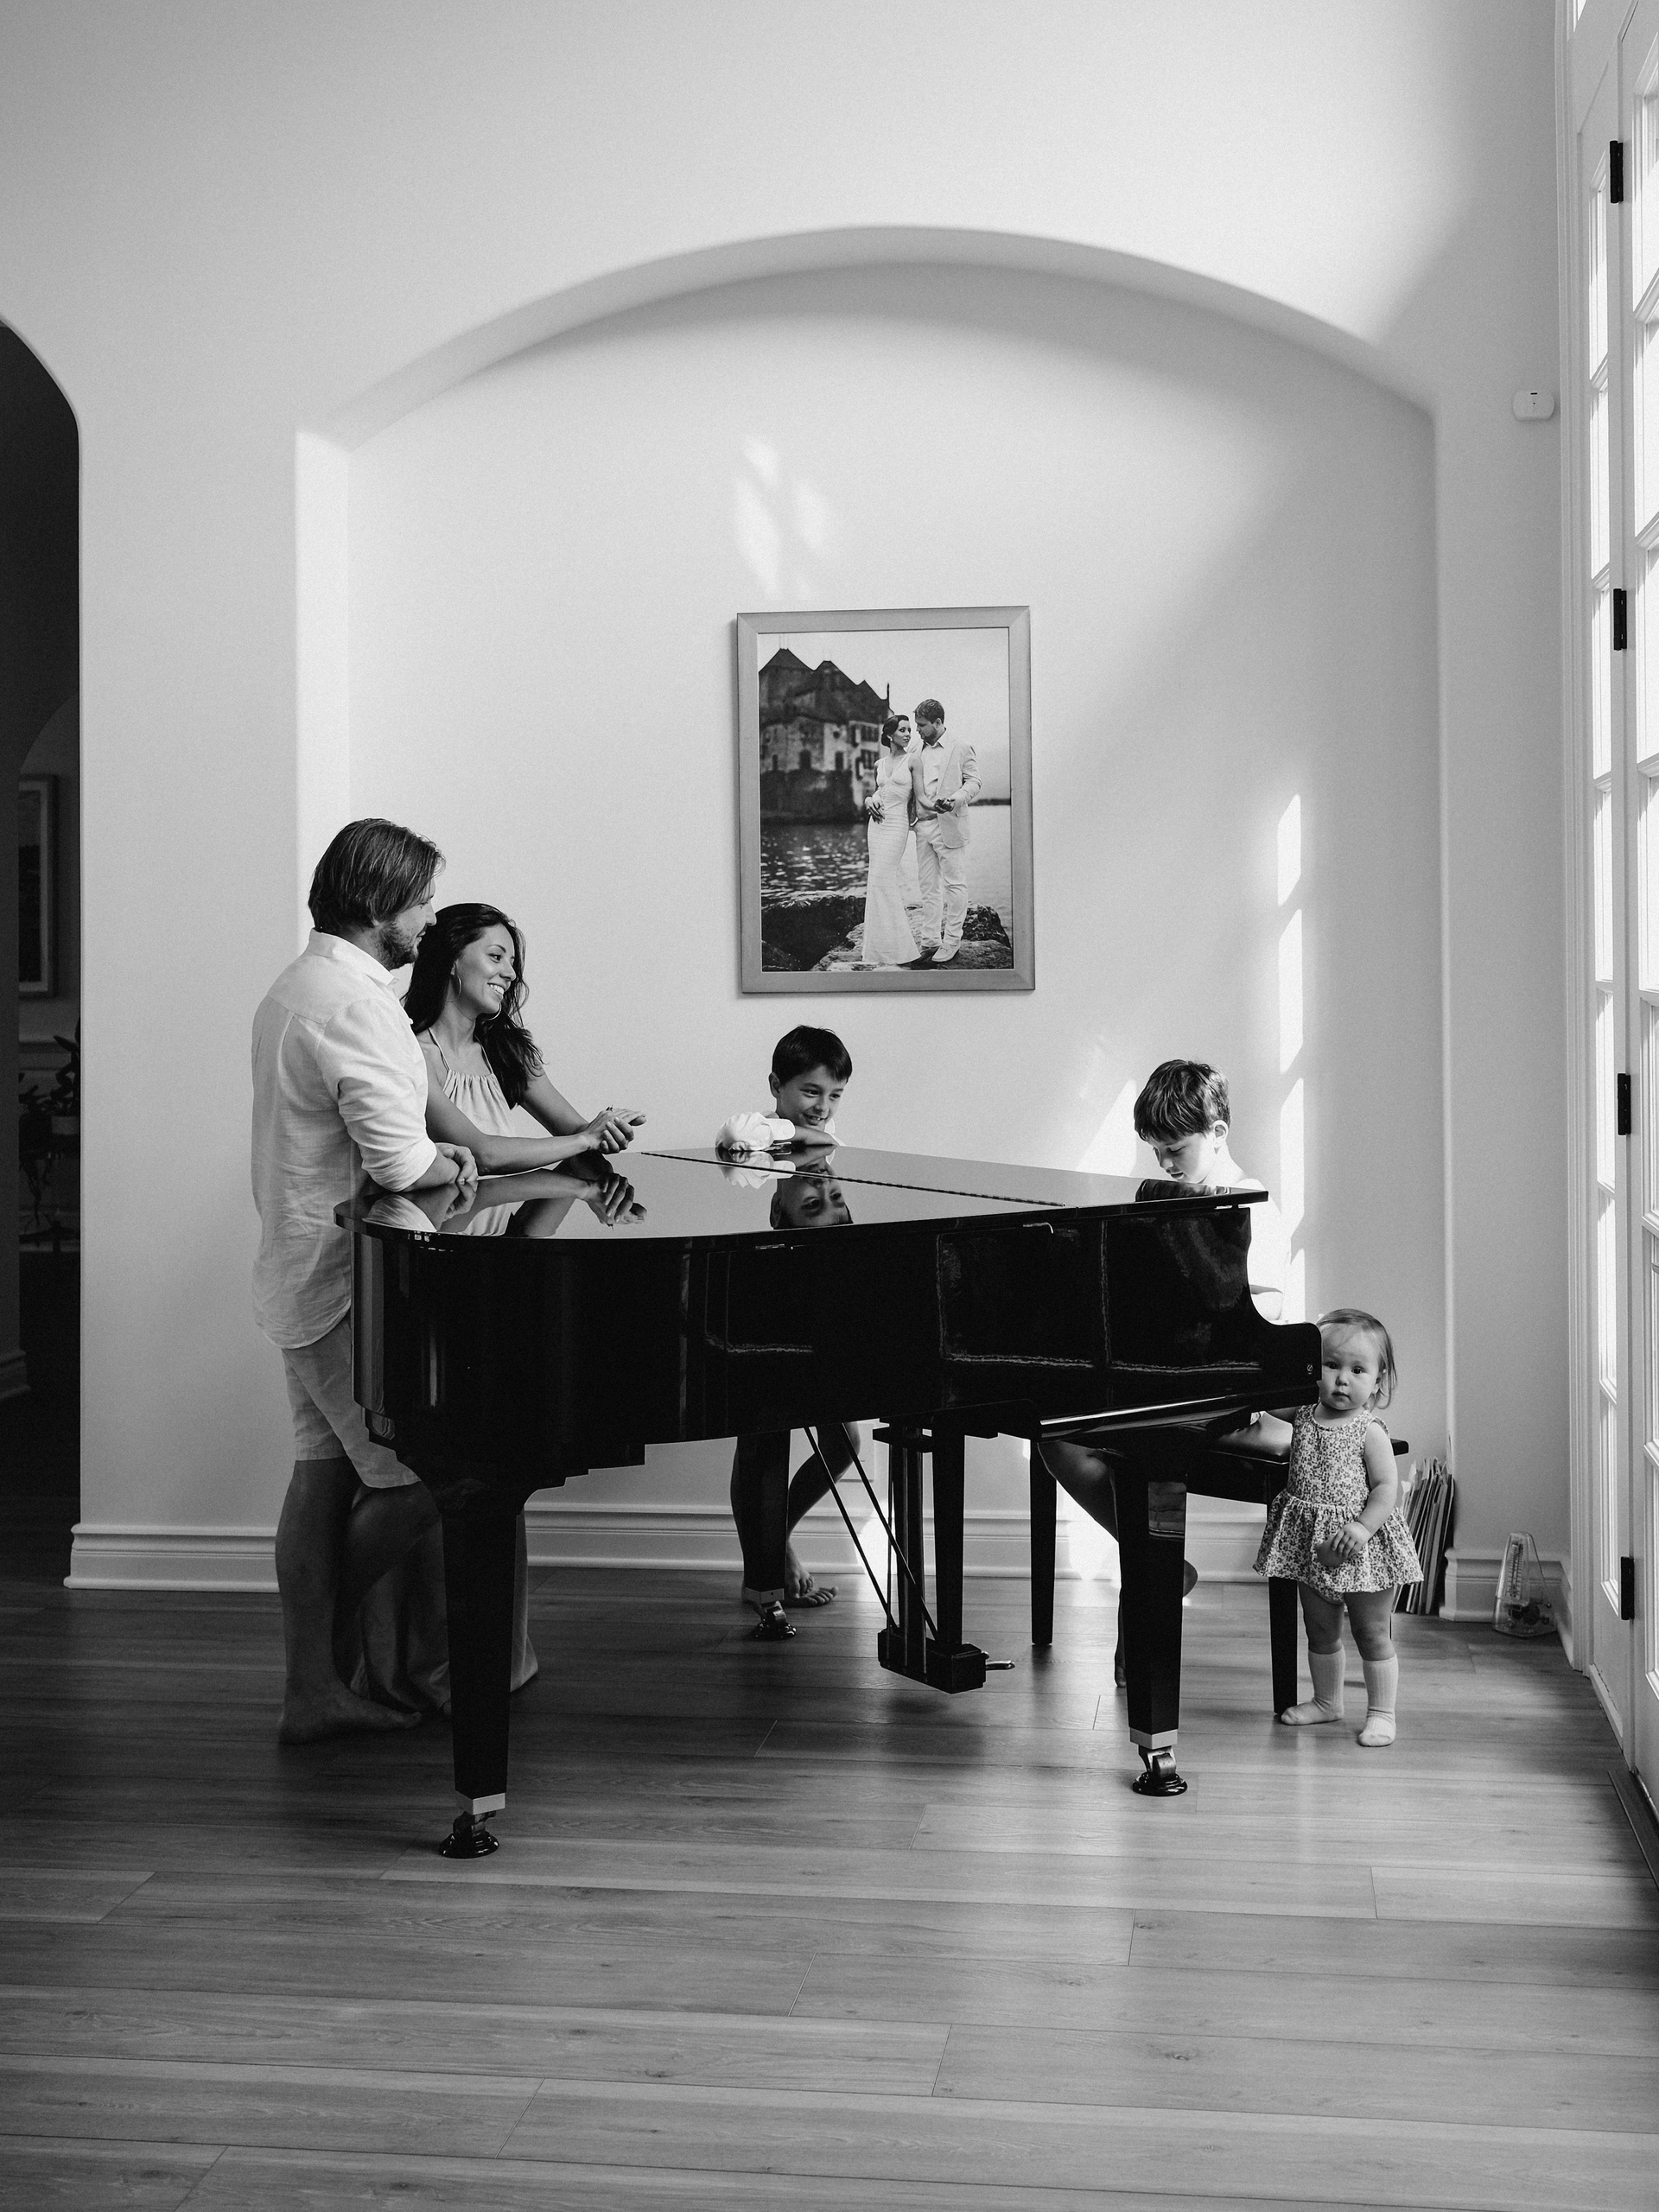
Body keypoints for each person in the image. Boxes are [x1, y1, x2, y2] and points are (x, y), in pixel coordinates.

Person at [334, 902, 647, 1713]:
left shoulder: (510, 1050)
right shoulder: (411, 1050)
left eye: (513, 959)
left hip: (493, 1279)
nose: (510, 972)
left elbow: (574, 1140)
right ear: (451, 960)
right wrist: (577, 1145)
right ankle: (409, 1664)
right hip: (428, 1271)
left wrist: (602, 1137)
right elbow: (484, 1151)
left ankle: (482, 1663)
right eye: (496, 955)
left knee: (488, 1461)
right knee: (433, 1464)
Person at [252, 817, 478, 1744]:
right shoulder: (355, 1004)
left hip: (297, 1272)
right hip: (348, 1285)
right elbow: (400, 1162)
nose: (429, 920)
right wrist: (451, 1162)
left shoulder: (291, 986)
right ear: (381, 904)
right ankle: (320, 1658)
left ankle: (312, 1690)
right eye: (421, 901)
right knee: (433, 1472)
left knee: (321, 1476)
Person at [1037, 1059, 1286, 1676]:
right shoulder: (1167, 1200)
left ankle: (1154, 1581)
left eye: (1176, 1149)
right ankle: (1160, 1565)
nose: (1166, 1164)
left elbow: (1266, 1313)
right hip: (1167, 1373)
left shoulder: (1250, 1202)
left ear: (1218, 1132)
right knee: (1056, 1435)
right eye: (1156, 1152)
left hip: (1226, 1381)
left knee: (1134, 1443)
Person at [729, 1028, 860, 1632]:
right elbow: (735, 1139)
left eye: (834, 1095)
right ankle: (764, 1578)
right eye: (810, 1091)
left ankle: (773, 1542)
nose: (822, 1107)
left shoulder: (821, 1141)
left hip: (819, 1304)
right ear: (776, 1086)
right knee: (762, 1441)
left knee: (844, 1442)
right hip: (767, 1301)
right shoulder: (756, 1135)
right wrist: (796, 1135)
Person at [1247, 1308, 1421, 1747]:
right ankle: (1327, 1702)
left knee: (1370, 1632)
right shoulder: (1303, 1414)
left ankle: (1382, 1713)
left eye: (1358, 1370)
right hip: (1312, 1545)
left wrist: (1362, 1528)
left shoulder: (1369, 1430)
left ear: (1378, 1381)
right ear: (1313, 1370)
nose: (1342, 1379)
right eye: (1331, 1365)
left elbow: (1386, 1489)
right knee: (1321, 1629)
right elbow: (1263, 1391)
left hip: (1362, 1547)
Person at [910, 696, 980, 964]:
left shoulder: (960, 747)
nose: (917, 730)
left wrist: (956, 799)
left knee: (955, 885)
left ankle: (951, 942)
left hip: (949, 825)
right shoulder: (915, 748)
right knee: (928, 886)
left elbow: (974, 781)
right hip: (922, 827)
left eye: (922, 725)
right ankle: (930, 941)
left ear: (938, 722)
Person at [861, 714, 920, 968]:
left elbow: (920, 797)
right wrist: (868, 799)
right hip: (876, 826)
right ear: (889, 735)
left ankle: (901, 950)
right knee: (876, 882)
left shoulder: (913, 760)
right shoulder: (879, 764)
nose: (908, 734)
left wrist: (947, 806)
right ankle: (878, 950)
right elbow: (880, 791)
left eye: (909, 730)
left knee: (885, 879)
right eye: (903, 730)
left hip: (897, 825)